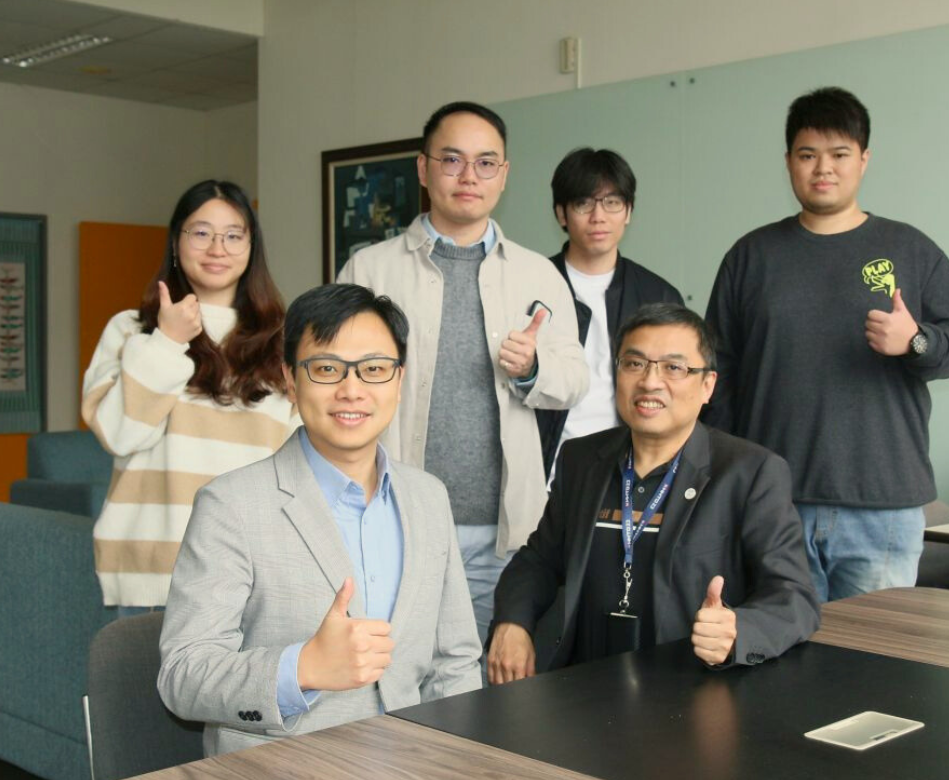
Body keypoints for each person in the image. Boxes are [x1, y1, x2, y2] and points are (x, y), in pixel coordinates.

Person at [158, 284, 481, 756]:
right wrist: (302, 667)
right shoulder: (230, 506)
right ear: (290, 379)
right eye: (326, 369)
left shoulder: (429, 498)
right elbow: (182, 676)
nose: (352, 390)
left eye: (373, 369)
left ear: (399, 378)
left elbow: (455, 661)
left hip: (415, 760)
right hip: (283, 763)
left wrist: (459, 760)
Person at [702, 87, 949, 603]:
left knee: (876, 668)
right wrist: (730, 482)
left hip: (883, 505)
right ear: (788, 162)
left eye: (839, 155)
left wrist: (914, 341)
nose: (822, 168)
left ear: (864, 160)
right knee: (781, 662)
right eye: (807, 155)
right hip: (774, 501)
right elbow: (717, 374)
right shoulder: (751, 257)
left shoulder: (910, 249)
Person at [337, 101, 588, 641]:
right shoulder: (369, 268)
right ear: (424, 170)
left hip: (501, 530)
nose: (468, 176)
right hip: (392, 519)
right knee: (391, 672)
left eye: (485, 162)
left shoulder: (537, 273)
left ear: (504, 175)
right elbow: (338, 381)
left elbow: (574, 379)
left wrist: (533, 369)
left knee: (479, 686)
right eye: (451, 161)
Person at [488, 304, 819, 682]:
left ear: (707, 385)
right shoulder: (582, 460)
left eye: (674, 368)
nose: (649, 381)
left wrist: (738, 631)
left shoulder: (750, 472)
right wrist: (512, 622)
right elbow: (539, 560)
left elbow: (795, 598)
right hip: (583, 687)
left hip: (689, 689)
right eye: (634, 364)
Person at [81, 180, 298, 612]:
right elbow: (119, 436)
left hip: (254, 571)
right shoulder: (130, 330)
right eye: (201, 233)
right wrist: (166, 341)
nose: (218, 248)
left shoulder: (285, 340)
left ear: (251, 246)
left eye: (233, 235)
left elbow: (298, 464)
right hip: (155, 572)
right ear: (176, 242)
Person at [537, 147, 684, 485]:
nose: (598, 217)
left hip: (633, 473)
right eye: (583, 203)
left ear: (628, 211)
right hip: (545, 474)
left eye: (612, 203)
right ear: (561, 214)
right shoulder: (529, 285)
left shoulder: (658, 296)